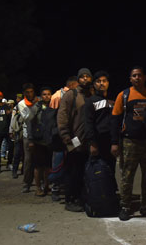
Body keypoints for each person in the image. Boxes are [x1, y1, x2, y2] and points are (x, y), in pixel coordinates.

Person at [111, 66, 146, 221]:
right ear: (130, 79)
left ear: (144, 77)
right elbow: (115, 120)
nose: (137, 78)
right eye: (134, 76)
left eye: (140, 75)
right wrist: (114, 143)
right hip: (129, 141)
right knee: (127, 175)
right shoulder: (123, 95)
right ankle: (125, 206)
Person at [58, 68, 93, 211]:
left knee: (84, 170)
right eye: (82, 77)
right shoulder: (71, 95)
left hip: (88, 141)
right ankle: (70, 199)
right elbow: (62, 116)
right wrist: (66, 137)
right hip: (74, 140)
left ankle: (81, 198)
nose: (85, 79)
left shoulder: (92, 94)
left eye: (88, 76)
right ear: (78, 79)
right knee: (73, 170)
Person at [83, 70, 116, 183]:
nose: (101, 83)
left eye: (104, 81)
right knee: (97, 171)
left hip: (110, 141)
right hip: (98, 141)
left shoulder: (112, 100)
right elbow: (88, 123)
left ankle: (109, 194)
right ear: (94, 84)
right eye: (98, 81)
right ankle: (96, 196)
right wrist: (92, 143)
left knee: (110, 169)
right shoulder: (90, 101)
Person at [26, 87, 54, 196]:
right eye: (44, 94)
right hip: (38, 142)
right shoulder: (36, 107)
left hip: (48, 141)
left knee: (47, 166)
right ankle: (38, 187)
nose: (46, 96)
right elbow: (30, 123)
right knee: (38, 166)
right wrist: (30, 140)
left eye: (48, 94)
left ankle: (46, 186)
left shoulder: (52, 107)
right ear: (41, 96)